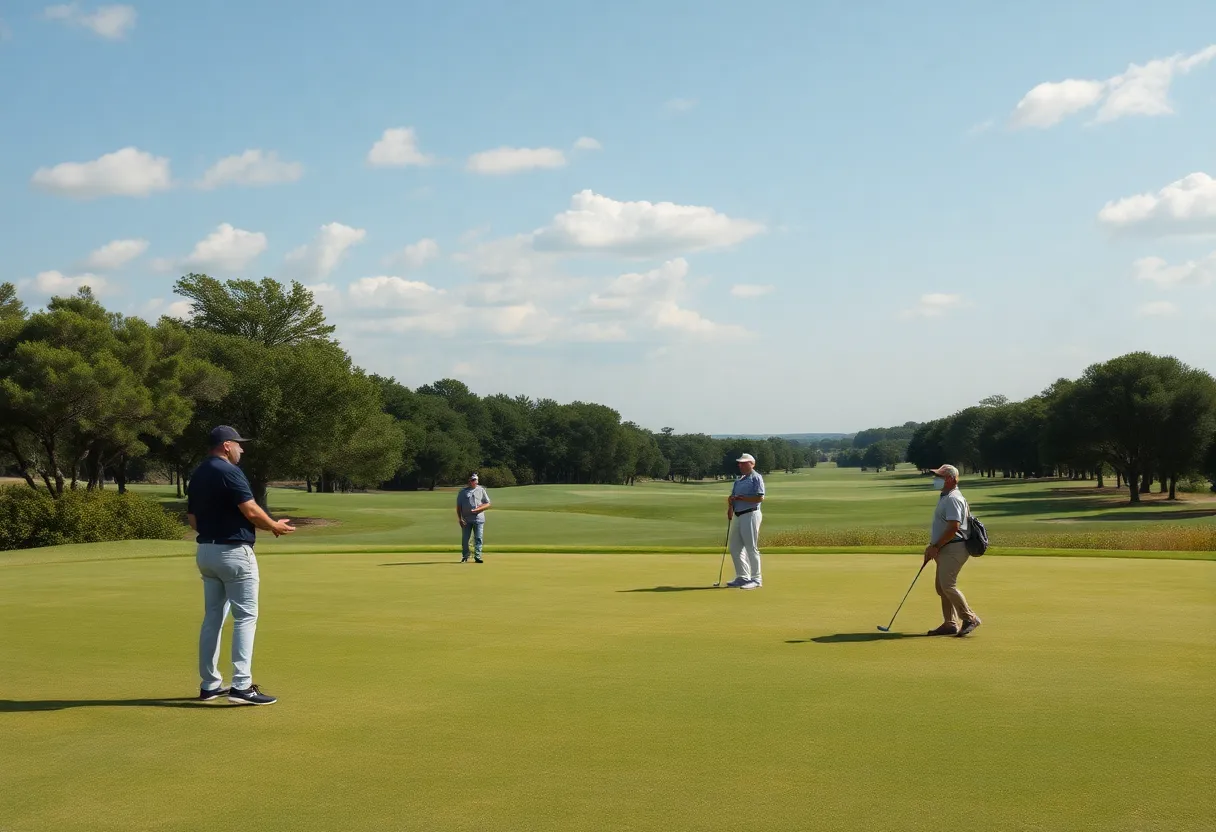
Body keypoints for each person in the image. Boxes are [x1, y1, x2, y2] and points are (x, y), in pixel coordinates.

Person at [187, 426, 295, 705]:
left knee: (213, 618)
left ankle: (210, 684)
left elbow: (193, 521)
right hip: (234, 552)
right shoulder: (230, 472)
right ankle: (241, 686)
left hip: (205, 552)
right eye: (238, 444)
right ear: (226, 445)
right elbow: (250, 509)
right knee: (246, 616)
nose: (242, 449)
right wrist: (274, 526)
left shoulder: (198, 474)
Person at [923, 464, 981, 637]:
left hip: (954, 547)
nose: (936, 480)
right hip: (946, 548)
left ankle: (970, 618)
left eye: (940, 477)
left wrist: (935, 546)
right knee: (941, 588)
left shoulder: (953, 498)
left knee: (948, 585)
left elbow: (953, 527)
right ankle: (950, 623)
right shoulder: (946, 496)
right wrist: (934, 547)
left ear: (950, 479)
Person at [725, 453, 765, 589]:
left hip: (751, 514)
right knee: (735, 547)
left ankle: (756, 579)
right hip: (738, 515)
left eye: (744, 463)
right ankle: (742, 576)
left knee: (751, 547)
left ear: (752, 464)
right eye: (740, 463)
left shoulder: (756, 478)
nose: (740, 465)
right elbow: (733, 497)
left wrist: (742, 499)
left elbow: (760, 498)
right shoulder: (739, 480)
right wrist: (730, 505)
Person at [456, 473, 492, 563]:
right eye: (471, 480)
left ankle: (478, 556)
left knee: (478, 538)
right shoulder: (462, 492)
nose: (473, 482)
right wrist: (460, 519)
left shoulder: (481, 490)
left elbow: (488, 503)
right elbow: (458, 507)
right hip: (466, 519)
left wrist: (479, 509)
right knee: (465, 539)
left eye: (474, 480)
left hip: (479, 519)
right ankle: (465, 556)